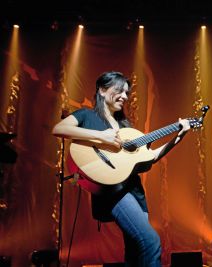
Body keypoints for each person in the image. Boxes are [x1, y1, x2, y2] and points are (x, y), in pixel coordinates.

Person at [52, 71, 190, 267]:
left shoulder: (126, 127)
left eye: (127, 93)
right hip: (113, 192)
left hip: (135, 192)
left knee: (134, 252)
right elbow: (58, 129)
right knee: (151, 242)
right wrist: (101, 137)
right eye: (120, 91)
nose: (125, 97)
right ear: (102, 90)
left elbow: (151, 157)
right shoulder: (86, 115)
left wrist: (178, 137)